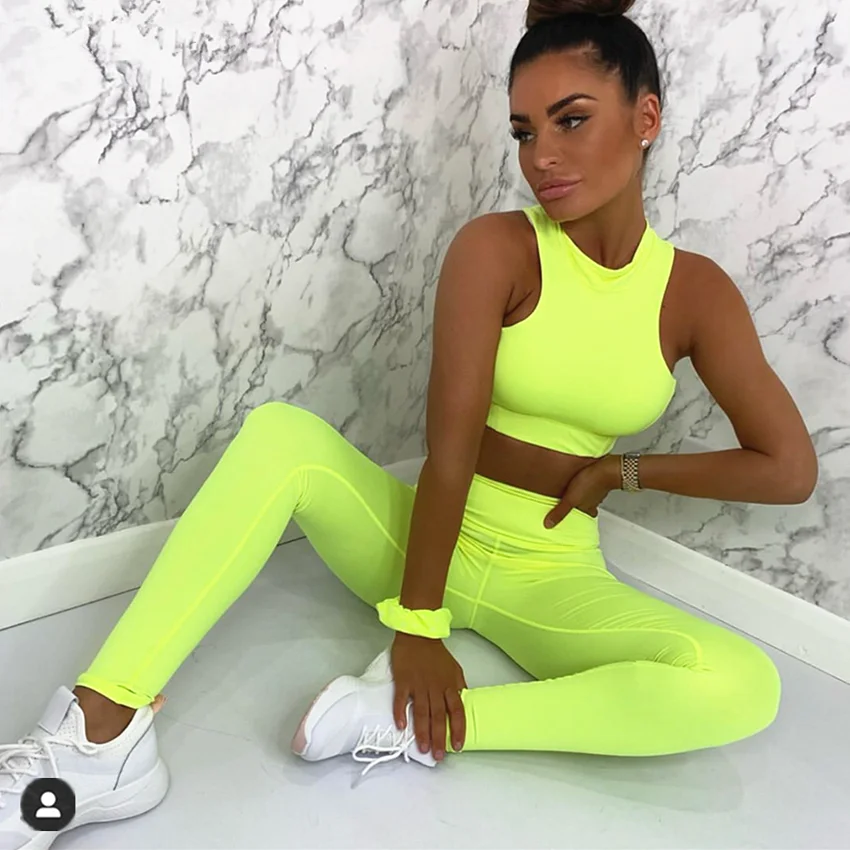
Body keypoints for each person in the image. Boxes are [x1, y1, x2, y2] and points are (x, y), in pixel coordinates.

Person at [0, 0, 819, 845]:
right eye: (524, 132)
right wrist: (418, 624)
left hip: (552, 573)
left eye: (571, 120)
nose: (541, 156)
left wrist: (622, 471)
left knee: (743, 682)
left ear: (645, 118)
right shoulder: (498, 248)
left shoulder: (694, 292)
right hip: (420, 543)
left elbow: (787, 468)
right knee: (281, 435)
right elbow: (449, 447)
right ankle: (100, 736)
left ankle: (414, 725)